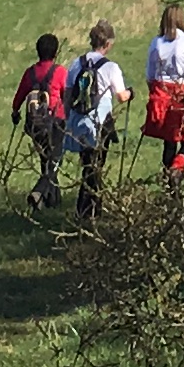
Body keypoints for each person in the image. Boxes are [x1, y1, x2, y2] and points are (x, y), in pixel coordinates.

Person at [60, 18, 129, 218]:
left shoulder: (76, 63)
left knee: (88, 164)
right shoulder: (110, 67)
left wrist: (67, 119)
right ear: (107, 44)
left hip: (80, 120)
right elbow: (121, 96)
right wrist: (131, 93)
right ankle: (89, 209)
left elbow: (68, 93)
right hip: (101, 122)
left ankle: (89, 208)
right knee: (96, 166)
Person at [9, 27, 68, 211]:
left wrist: (16, 112)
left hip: (35, 125)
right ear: (56, 52)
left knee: (45, 161)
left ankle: (49, 202)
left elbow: (18, 98)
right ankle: (37, 193)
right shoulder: (59, 72)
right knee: (55, 161)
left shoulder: (30, 73)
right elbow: (68, 96)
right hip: (56, 121)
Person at [142, 2, 184, 181]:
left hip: (161, 94)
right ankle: (177, 167)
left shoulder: (156, 43)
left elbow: (149, 75)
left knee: (169, 141)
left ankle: (168, 178)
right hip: (182, 96)